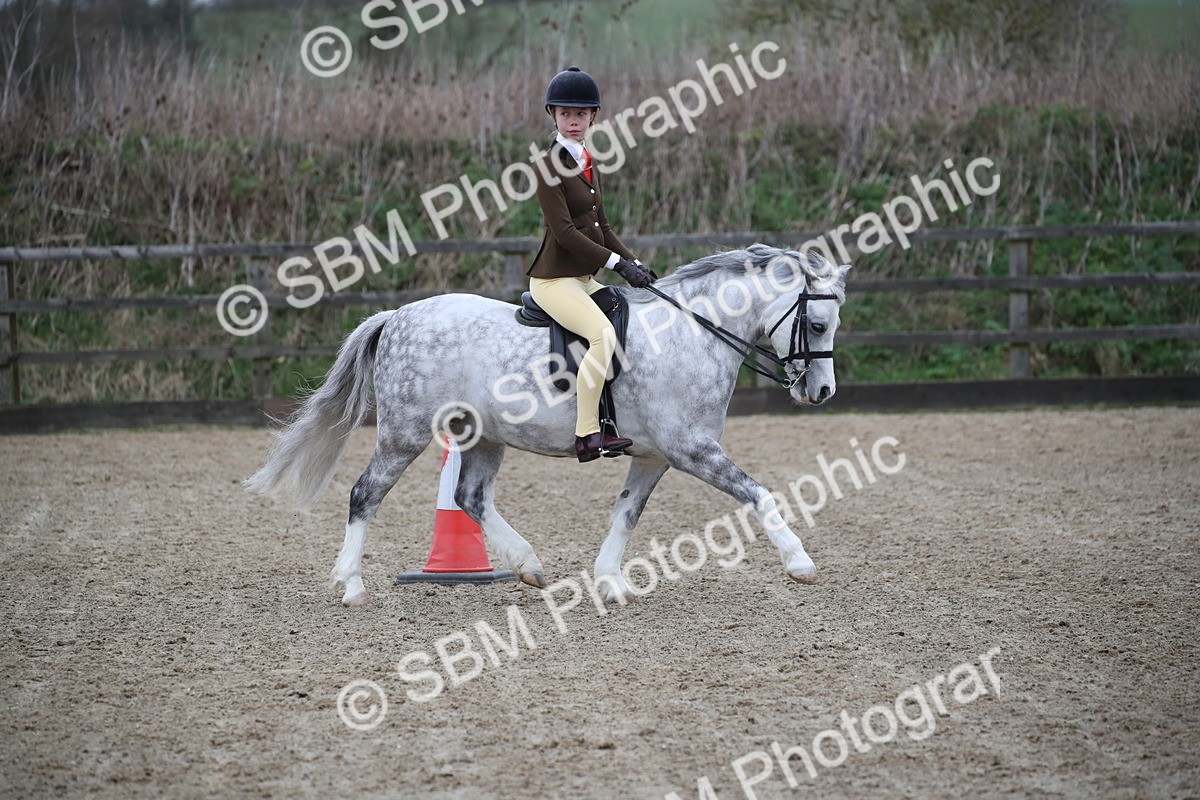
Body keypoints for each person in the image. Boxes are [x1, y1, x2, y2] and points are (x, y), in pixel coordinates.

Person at [527, 66, 658, 463]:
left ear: (593, 117)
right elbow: (566, 233)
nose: (573, 121)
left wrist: (636, 263)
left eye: (581, 114)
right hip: (553, 281)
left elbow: (602, 225)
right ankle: (586, 434)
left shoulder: (587, 159)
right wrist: (617, 263)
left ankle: (615, 420)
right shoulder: (547, 166)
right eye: (566, 114)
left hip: (582, 279)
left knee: (626, 318)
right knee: (602, 334)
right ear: (553, 115)